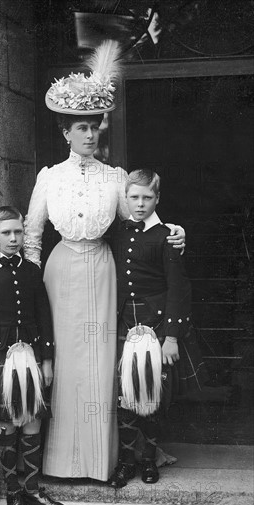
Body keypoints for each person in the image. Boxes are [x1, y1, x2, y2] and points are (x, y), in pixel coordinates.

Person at [23, 40, 186, 481]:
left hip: (101, 271)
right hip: (59, 273)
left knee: (98, 365)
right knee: (65, 363)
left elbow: (140, 213)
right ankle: (60, 461)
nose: (90, 134)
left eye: (94, 126)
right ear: (65, 132)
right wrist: (32, 289)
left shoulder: (115, 178)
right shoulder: (49, 178)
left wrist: (173, 232)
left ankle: (102, 460)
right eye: (81, 127)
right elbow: (34, 236)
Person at [0, 206, 66, 505]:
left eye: (18, 231)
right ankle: (13, 493)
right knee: (7, 424)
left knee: (32, 419)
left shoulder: (32, 271)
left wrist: (47, 359)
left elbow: (44, 318)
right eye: (6, 232)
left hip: (31, 355)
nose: (13, 238)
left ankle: (33, 491)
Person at [108, 169, 207, 488]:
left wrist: (172, 337)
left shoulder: (167, 236)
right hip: (125, 320)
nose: (140, 204)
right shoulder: (120, 232)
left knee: (151, 391)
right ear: (126, 199)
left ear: (158, 199)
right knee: (125, 394)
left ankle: (149, 460)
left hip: (156, 323)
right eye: (134, 197)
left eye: (147, 197)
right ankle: (125, 463)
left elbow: (179, 288)